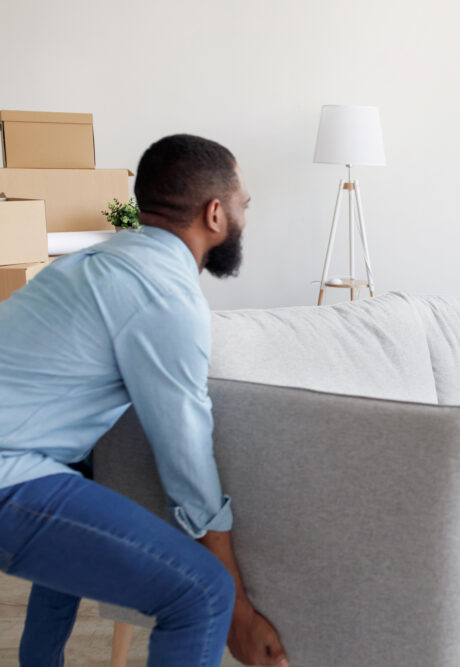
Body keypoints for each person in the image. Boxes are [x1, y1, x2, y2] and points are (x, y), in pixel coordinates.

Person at [0, 134, 288, 666]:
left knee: (80, 478)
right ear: (216, 213)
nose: (246, 215)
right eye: (244, 204)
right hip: (7, 473)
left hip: (25, 456)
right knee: (202, 594)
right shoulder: (166, 297)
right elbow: (185, 457)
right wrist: (239, 605)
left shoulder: (91, 264)